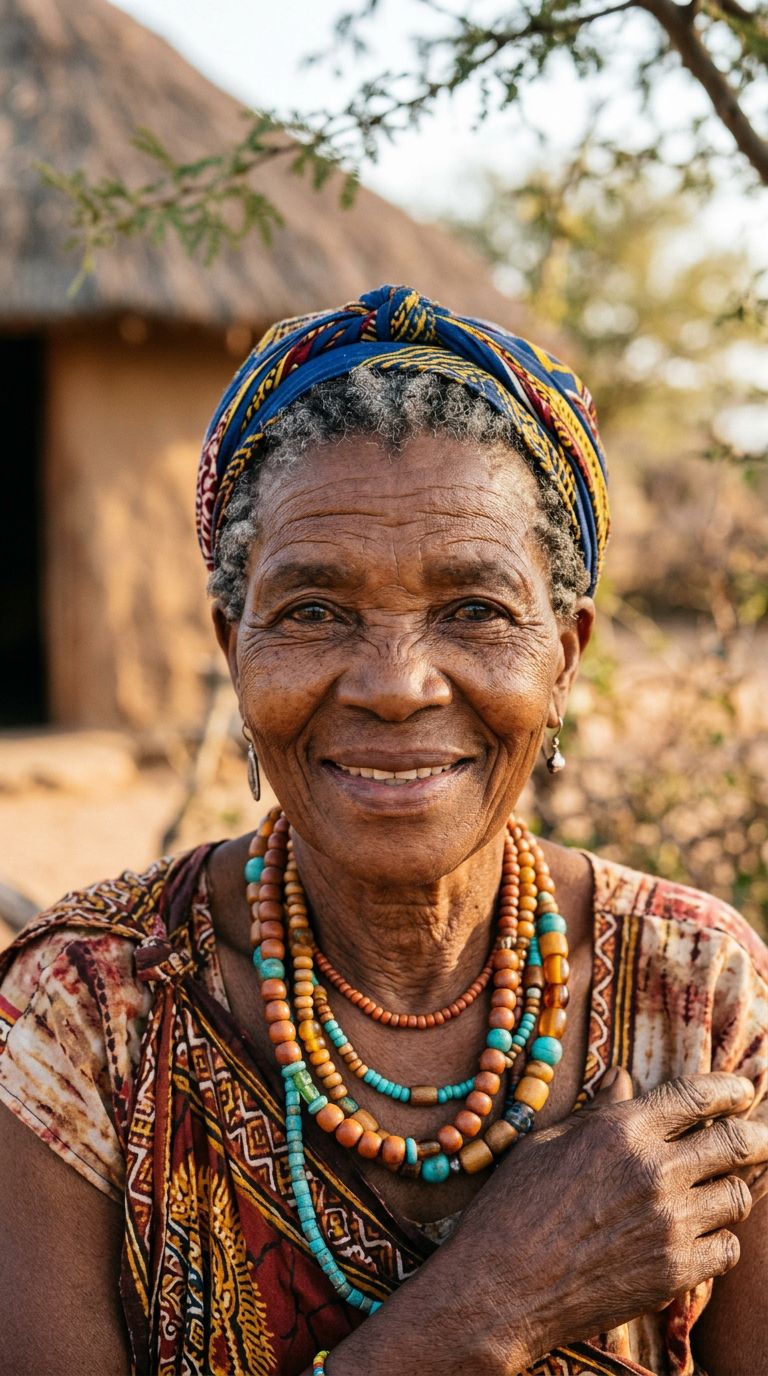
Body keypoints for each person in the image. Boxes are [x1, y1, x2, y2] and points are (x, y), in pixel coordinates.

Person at [1, 284, 766, 1376]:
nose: (397, 684)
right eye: (314, 609)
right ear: (234, 646)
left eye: (475, 610)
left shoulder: (698, 995)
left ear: (566, 653)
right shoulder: (84, 1015)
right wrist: (488, 1305)